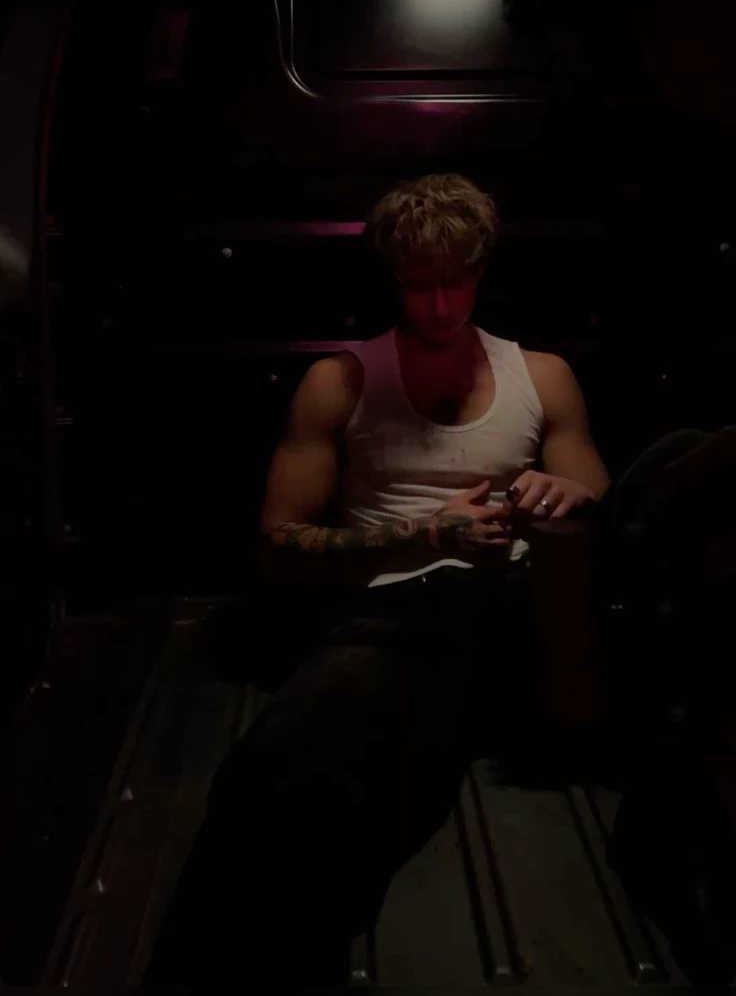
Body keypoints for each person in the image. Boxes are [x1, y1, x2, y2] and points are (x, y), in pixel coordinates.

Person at [144, 172, 611, 988]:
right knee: (285, 762)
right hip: (396, 608)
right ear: (393, 277)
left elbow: (602, 498)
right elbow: (278, 545)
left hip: (516, 608)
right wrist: (426, 532)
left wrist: (568, 493)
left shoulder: (542, 374)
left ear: (482, 268)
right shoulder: (344, 380)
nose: (440, 304)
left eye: (455, 281)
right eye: (419, 284)